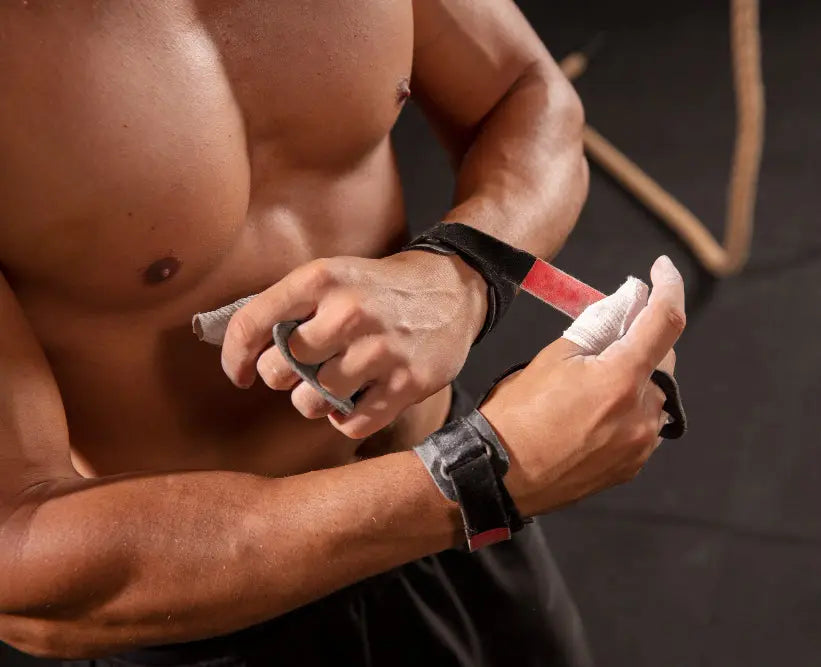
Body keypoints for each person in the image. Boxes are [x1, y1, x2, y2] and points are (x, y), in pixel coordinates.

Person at [0, 1, 686, 665]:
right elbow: (15, 549)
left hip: (464, 521)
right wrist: (479, 475)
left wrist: (460, 271)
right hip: (211, 618)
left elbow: (527, 91)